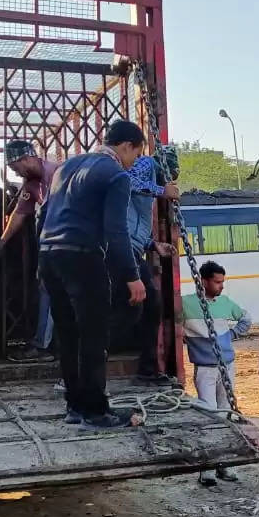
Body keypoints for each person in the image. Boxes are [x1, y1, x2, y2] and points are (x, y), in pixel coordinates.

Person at [39, 119, 147, 429]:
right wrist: (131, 275)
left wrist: (41, 262)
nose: (133, 162)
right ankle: (97, 411)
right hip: (82, 257)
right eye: (135, 155)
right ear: (126, 146)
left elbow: (42, 216)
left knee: (68, 335)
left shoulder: (66, 167)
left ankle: (75, 407)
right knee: (94, 334)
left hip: (50, 256)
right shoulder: (115, 175)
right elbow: (116, 231)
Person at [0, 139, 62, 359]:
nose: (16, 173)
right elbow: (19, 214)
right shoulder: (31, 185)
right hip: (49, 245)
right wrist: (2, 244)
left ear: (26, 159)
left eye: (15, 167)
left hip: (64, 243)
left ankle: (43, 346)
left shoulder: (58, 173)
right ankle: (50, 344)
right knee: (48, 290)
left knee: (51, 290)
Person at [181, 260, 251, 486]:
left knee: (225, 414)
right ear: (203, 281)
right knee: (209, 416)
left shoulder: (226, 303)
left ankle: (224, 466)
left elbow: (245, 318)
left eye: (222, 282)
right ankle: (207, 469)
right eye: (217, 282)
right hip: (205, 369)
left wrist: (231, 335)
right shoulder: (185, 304)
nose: (221, 286)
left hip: (227, 367)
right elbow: (172, 326)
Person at [125, 149, 180, 383]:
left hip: (134, 248)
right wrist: (161, 191)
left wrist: (152, 244)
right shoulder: (146, 164)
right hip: (121, 248)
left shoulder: (150, 183)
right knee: (143, 307)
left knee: (150, 307)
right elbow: (126, 181)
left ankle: (147, 370)